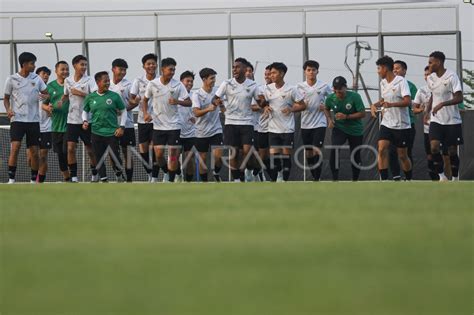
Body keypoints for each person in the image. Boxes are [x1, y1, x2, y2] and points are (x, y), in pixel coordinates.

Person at [142, 57, 192, 182]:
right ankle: (169, 171)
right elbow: (145, 99)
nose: (172, 72)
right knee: (158, 155)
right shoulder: (153, 84)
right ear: (163, 69)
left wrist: (177, 101)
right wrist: (145, 113)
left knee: (173, 156)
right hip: (158, 126)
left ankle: (170, 181)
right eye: (170, 69)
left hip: (174, 126)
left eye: (174, 70)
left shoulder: (178, 85)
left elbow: (189, 102)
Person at [4, 52, 48, 184]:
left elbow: (46, 93)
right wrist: (8, 110)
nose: (34, 66)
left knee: (34, 152)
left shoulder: (36, 78)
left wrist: (45, 96)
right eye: (32, 63)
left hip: (33, 121)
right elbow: (6, 99)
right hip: (17, 120)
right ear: (24, 64)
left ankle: (33, 180)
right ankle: (11, 180)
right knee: (15, 147)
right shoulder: (11, 79)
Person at [213, 57, 260, 182]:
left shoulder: (253, 85)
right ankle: (237, 179)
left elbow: (260, 101)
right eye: (233, 67)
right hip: (231, 122)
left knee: (247, 151)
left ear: (245, 69)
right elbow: (215, 98)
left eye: (238, 67)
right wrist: (218, 102)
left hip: (247, 122)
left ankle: (245, 171)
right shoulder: (226, 83)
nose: (234, 69)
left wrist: (264, 103)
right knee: (233, 152)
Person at [261, 62, 306, 182]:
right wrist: (265, 107)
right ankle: (276, 180)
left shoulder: (292, 89)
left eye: (274, 73)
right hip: (273, 128)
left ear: (282, 73)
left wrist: (291, 109)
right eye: (270, 73)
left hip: (287, 129)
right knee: (274, 157)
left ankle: (284, 181)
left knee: (286, 156)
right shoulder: (267, 89)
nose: (271, 75)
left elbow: (303, 105)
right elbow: (262, 102)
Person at [371, 55, 412, 181]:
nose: (377, 71)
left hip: (401, 125)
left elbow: (407, 101)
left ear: (385, 68)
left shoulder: (401, 81)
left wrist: (391, 104)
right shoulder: (383, 83)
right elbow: (384, 99)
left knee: (402, 156)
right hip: (387, 123)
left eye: (379, 68)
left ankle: (408, 179)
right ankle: (384, 180)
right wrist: (374, 105)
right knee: (382, 148)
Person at [82, 71, 127, 182]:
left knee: (115, 156)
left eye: (108, 80)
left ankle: (119, 174)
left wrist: (121, 127)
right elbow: (85, 111)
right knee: (99, 157)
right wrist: (85, 121)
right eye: (105, 81)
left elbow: (123, 111)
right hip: (96, 132)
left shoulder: (114, 96)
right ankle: (103, 178)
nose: (107, 83)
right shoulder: (91, 97)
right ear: (98, 82)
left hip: (112, 132)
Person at [426, 51, 464, 181]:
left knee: (452, 150)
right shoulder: (430, 78)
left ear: (439, 62)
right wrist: (427, 110)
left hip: (452, 120)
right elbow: (433, 95)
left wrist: (442, 104)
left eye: (431, 62)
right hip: (436, 119)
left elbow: (459, 98)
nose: (429, 65)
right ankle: (442, 177)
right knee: (434, 147)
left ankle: (455, 177)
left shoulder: (452, 76)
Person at [63, 55, 98, 182]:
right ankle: (73, 176)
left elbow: (95, 97)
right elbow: (66, 95)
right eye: (81, 64)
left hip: (86, 120)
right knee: (70, 148)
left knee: (90, 150)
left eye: (85, 65)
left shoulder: (90, 80)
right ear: (74, 66)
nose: (84, 67)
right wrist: (58, 103)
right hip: (72, 120)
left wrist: (81, 93)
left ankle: (95, 174)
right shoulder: (67, 80)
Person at [324, 76, 365, 181]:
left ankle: (355, 180)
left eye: (340, 88)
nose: (338, 91)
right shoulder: (330, 98)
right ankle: (335, 179)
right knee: (335, 149)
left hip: (355, 130)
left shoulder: (355, 96)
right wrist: (329, 119)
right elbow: (326, 108)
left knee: (355, 153)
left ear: (345, 87)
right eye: (335, 88)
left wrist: (346, 116)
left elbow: (363, 113)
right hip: (339, 128)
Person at [298, 60, 332, 181]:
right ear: (305, 72)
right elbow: (295, 103)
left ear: (317, 71)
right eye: (308, 70)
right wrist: (301, 105)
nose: (311, 72)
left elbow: (333, 99)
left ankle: (317, 177)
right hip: (305, 124)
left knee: (316, 149)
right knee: (308, 152)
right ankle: (314, 173)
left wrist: (327, 106)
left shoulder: (324, 86)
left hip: (320, 123)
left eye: (313, 70)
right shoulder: (299, 87)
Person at [129, 53, 160, 182]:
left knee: (156, 149)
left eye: (153, 63)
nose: (151, 66)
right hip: (142, 120)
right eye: (148, 64)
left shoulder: (160, 80)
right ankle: (149, 171)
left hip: (158, 121)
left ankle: (154, 177)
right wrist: (134, 101)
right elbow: (131, 98)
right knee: (143, 149)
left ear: (156, 65)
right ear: (144, 66)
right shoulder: (138, 81)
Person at [192, 68, 224, 182]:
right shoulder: (196, 94)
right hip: (201, 132)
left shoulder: (217, 92)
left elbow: (223, 109)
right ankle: (205, 183)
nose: (214, 81)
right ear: (204, 79)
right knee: (203, 159)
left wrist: (222, 106)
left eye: (214, 78)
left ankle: (216, 172)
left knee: (218, 156)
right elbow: (196, 112)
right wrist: (208, 109)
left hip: (216, 130)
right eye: (211, 78)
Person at [43, 61, 71, 182]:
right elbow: (43, 105)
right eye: (62, 69)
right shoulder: (50, 87)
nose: (65, 72)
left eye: (67, 69)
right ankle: (67, 178)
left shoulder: (71, 84)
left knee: (68, 150)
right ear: (56, 71)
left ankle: (73, 175)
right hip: (56, 126)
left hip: (70, 125)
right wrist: (48, 108)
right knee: (61, 154)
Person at [109, 58, 135, 182]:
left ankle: (129, 180)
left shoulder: (128, 85)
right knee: (112, 153)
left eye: (125, 70)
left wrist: (124, 109)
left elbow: (135, 101)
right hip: (110, 125)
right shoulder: (106, 84)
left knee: (127, 153)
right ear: (113, 69)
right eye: (121, 69)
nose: (123, 72)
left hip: (127, 124)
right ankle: (118, 175)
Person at [178, 70, 197, 182]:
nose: (190, 83)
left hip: (191, 133)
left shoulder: (195, 96)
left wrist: (196, 118)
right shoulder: (175, 95)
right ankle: (177, 174)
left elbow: (199, 111)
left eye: (192, 81)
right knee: (174, 157)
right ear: (181, 82)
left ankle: (188, 182)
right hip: (176, 132)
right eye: (187, 81)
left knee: (190, 158)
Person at [35, 66, 52, 183]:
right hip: (32, 127)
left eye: (47, 74)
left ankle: (39, 182)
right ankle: (35, 176)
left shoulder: (50, 90)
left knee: (43, 156)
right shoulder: (31, 89)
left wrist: (51, 108)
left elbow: (53, 108)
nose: (46, 76)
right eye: (43, 73)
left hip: (46, 128)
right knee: (31, 157)